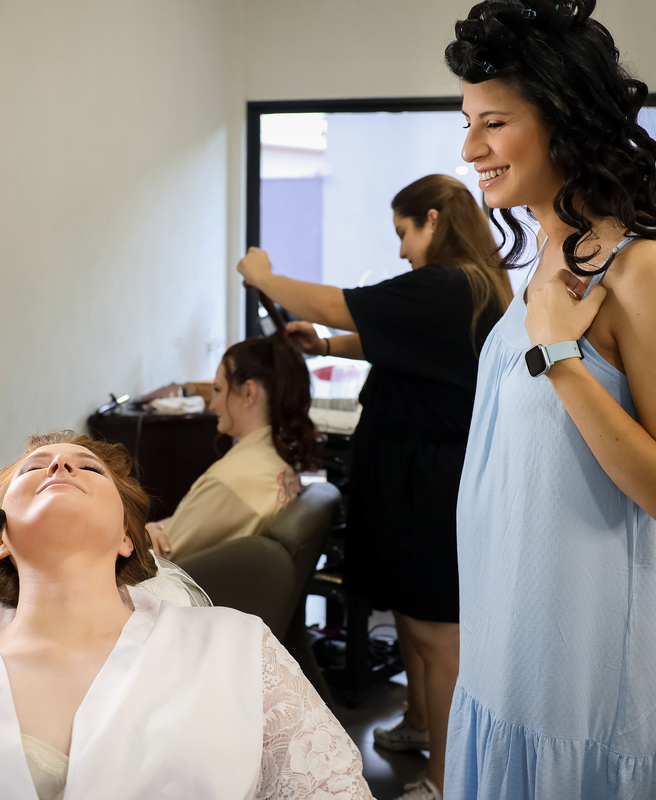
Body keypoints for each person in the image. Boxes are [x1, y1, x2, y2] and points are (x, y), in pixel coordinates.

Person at [442, 2, 656, 798]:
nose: (470, 149)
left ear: (563, 120)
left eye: (494, 123)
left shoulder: (644, 265)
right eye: (467, 124)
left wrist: (562, 359)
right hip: (515, 637)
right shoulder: (546, 256)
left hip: (595, 677)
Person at [0, 431, 374, 800]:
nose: (61, 464)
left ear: (128, 538)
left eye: (89, 468)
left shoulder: (238, 648)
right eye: (34, 469)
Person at [239, 174, 512, 800]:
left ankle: (444, 780)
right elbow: (396, 340)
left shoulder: (448, 283)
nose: (401, 249)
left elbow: (341, 303)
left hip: (431, 483)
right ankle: (421, 722)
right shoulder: (461, 287)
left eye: (403, 232)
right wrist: (326, 344)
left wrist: (264, 277)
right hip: (410, 473)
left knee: (437, 634)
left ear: (433, 219)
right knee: (412, 622)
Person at [146, 336, 316, 561]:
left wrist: (144, 535)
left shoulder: (230, 481)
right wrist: (157, 529)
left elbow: (165, 556)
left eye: (217, 389)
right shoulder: (282, 460)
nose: (212, 403)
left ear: (249, 393)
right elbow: (197, 525)